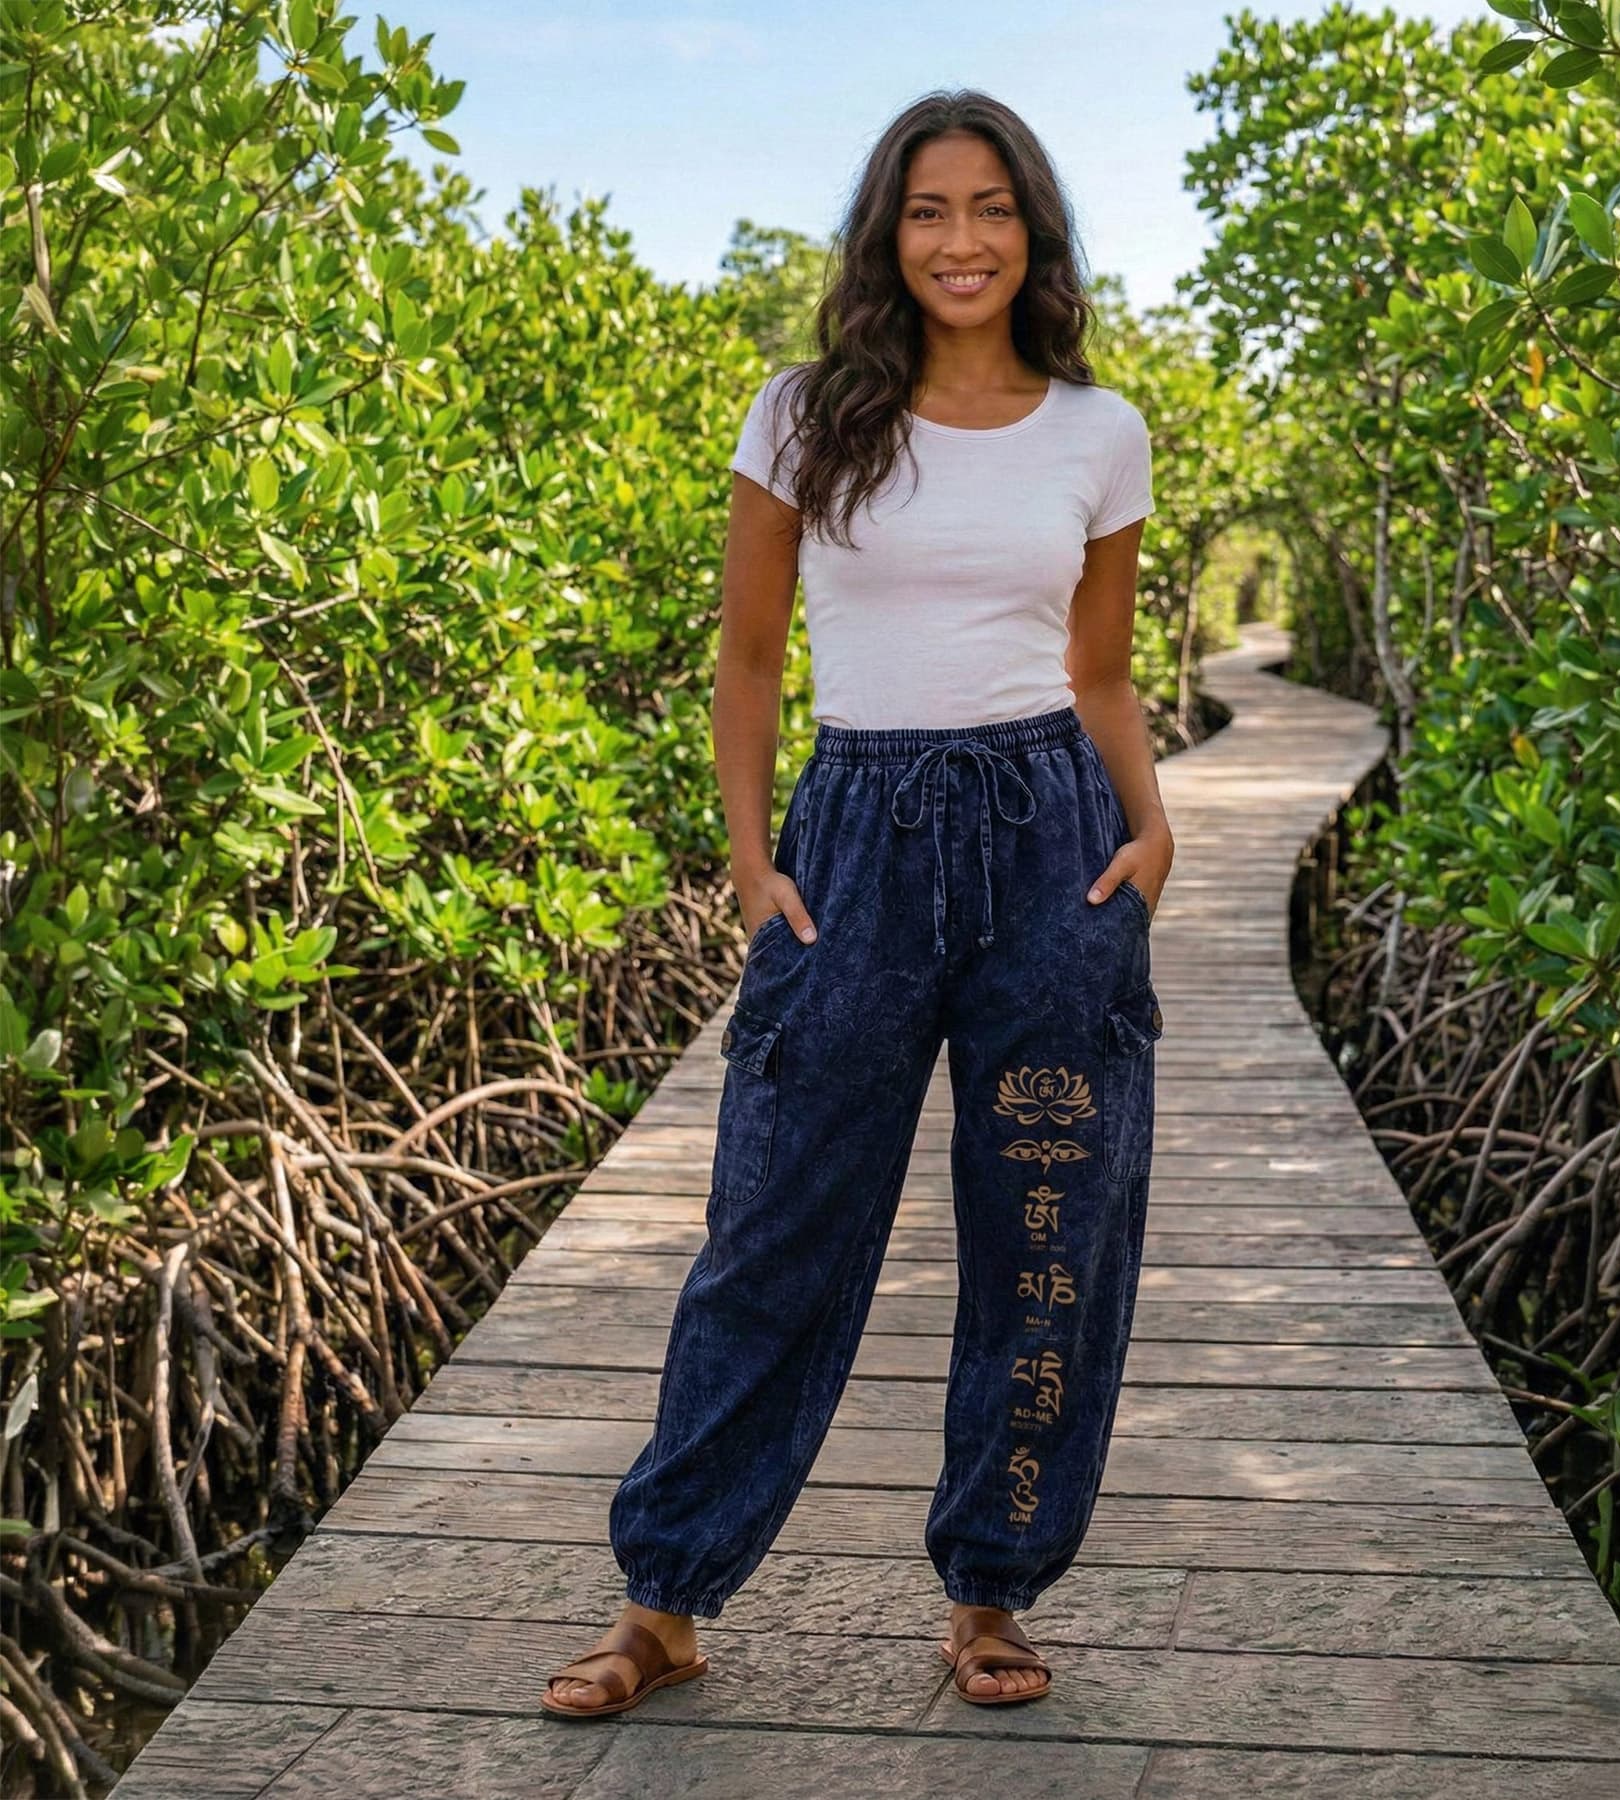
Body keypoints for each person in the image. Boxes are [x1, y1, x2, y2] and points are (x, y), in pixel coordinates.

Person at [541, 86, 1172, 1720]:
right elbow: (748, 660)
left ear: (1033, 230)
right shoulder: (806, 412)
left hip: (1053, 836)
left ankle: (992, 1591)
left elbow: (1099, 672)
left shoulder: (1098, 431)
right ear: (888, 239)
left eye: (990, 209)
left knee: (1049, 1233)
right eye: (927, 212)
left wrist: (1152, 832)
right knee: (774, 1222)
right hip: (856, 836)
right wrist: (754, 862)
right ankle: (667, 1597)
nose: (961, 241)